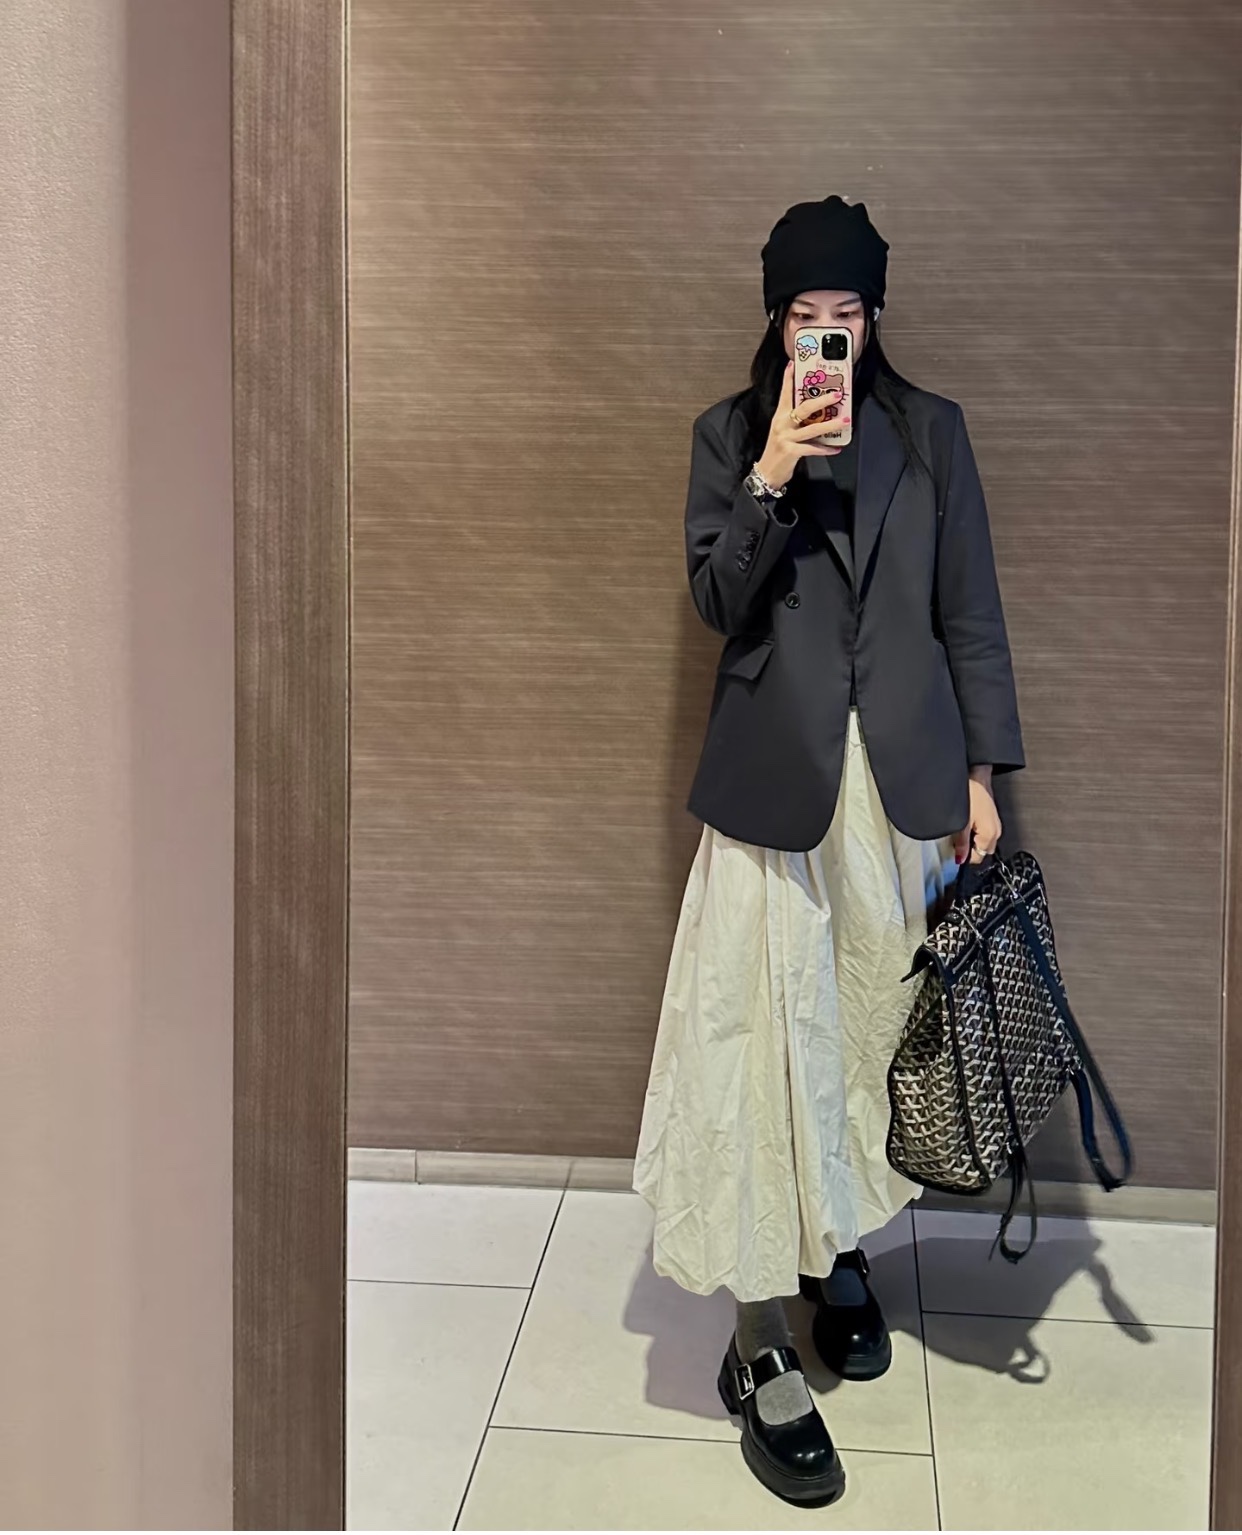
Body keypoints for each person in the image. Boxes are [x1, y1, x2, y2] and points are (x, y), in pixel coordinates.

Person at [632, 195, 1024, 1508]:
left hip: (897, 789)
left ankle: (838, 1249)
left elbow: (969, 611)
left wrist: (981, 772)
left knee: (864, 1033)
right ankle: (758, 1329)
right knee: (756, 1038)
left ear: (874, 315)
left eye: (843, 314)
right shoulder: (729, 435)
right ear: (776, 318)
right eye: (803, 316)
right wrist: (771, 475)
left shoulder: (933, 434)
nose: (823, 338)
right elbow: (716, 600)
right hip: (772, 786)